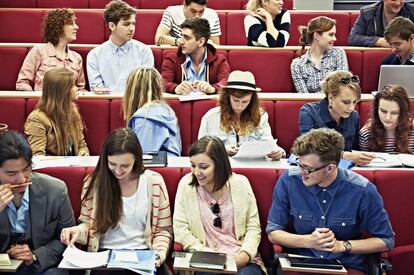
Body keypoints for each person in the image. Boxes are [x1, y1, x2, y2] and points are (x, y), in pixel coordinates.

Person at [267, 128, 395, 274]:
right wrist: (308, 241)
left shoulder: (362, 190)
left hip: (346, 265)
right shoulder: (289, 181)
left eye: (308, 169)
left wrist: (342, 245)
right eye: (299, 164)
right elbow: (273, 232)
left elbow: (386, 240)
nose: (301, 171)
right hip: (300, 263)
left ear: (330, 168)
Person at [60, 128, 172, 274]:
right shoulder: (94, 183)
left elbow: (163, 230)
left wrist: (159, 254)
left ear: (136, 160)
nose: (118, 171)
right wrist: (77, 231)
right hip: (103, 257)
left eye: (125, 166)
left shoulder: (154, 182)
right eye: (112, 164)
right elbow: (87, 225)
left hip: (142, 255)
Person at [173, 136, 264, 275]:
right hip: (204, 258)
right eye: (192, 165)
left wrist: (244, 255)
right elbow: (180, 231)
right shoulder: (186, 185)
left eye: (203, 167)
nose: (196, 172)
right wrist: (206, 253)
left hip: (241, 257)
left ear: (219, 164)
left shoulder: (241, 183)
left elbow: (253, 228)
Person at [0, 131, 75, 275]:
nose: (21, 179)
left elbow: (67, 238)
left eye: (26, 169)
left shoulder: (55, 190)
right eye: (11, 174)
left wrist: (35, 255)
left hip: (42, 265)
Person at [198, 70, 285, 159]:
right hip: (221, 168)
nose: (239, 106)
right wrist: (222, 150)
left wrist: (278, 152)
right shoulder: (210, 117)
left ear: (252, 100)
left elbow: (268, 144)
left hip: (252, 167)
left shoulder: (261, 116)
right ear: (227, 97)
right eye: (235, 100)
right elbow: (200, 151)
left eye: (245, 101)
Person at [299, 70, 375, 165]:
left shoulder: (354, 116)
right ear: (331, 98)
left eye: (355, 102)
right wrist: (344, 155)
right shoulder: (308, 112)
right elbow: (308, 150)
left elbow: (355, 149)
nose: (351, 108)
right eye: (346, 102)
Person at [87, 0, 154, 94]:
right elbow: (98, 91)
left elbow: (147, 88)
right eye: (126, 24)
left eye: (133, 23)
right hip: (107, 106)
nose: (132, 29)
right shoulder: (94, 55)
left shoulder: (144, 51)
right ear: (112, 26)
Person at [16, 8, 85, 91]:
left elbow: (81, 88)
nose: (76, 27)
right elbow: (22, 83)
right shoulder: (38, 51)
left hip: (68, 103)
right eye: (71, 23)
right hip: (43, 102)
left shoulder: (77, 58)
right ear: (58, 27)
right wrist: (38, 99)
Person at [24, 68, 89, 157]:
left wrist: (83, 153)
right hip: (51, 169)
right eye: (73, 85)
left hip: (74, 166)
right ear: (63, 91)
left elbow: (81, 145)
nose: (77, 88)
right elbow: (37, 157)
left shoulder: (73, 110)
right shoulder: (36, 118)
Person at [161, 17, 230, 95]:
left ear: (201, 41)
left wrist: (213, 89)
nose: (181, 41)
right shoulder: (172, 58)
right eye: (182, 36)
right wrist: (175, 88)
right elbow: (163, 83)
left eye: (186, 38)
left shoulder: (219, 60)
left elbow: (225, 82)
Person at [123, 67, 182, 156]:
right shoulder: (166, 110)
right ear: (158, 88)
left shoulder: (144, 119)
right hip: (169, 165)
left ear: (131, 91)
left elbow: (142, 159)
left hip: (157, 168)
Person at [291, 16, 348, 93]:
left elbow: (342, 87)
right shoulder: (297, 65)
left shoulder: (338, 53)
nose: (335, 39)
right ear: (316, 35)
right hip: (312, 105)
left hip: (335, 103)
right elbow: (304, 97)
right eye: (331, 34)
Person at [360, 84, 414, 153]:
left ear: (403, 113)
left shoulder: (412, 130)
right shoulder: (366, 133)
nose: (388, 118)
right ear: (376, 110)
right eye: (383, 111)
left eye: (394, 113)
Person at [348, 0, 414, 47]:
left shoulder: (412, 10)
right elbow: (353, 38)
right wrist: (379, 41)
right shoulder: (367, 12)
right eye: (393, 0)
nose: (398, 3)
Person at [155, 0, 221, 46]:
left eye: (201, 11)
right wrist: (180, 42)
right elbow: (158, 38)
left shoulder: (212, 15)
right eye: (193, 11)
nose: (197, 16)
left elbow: (216, 46)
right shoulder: (171, 12)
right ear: (184, 4)